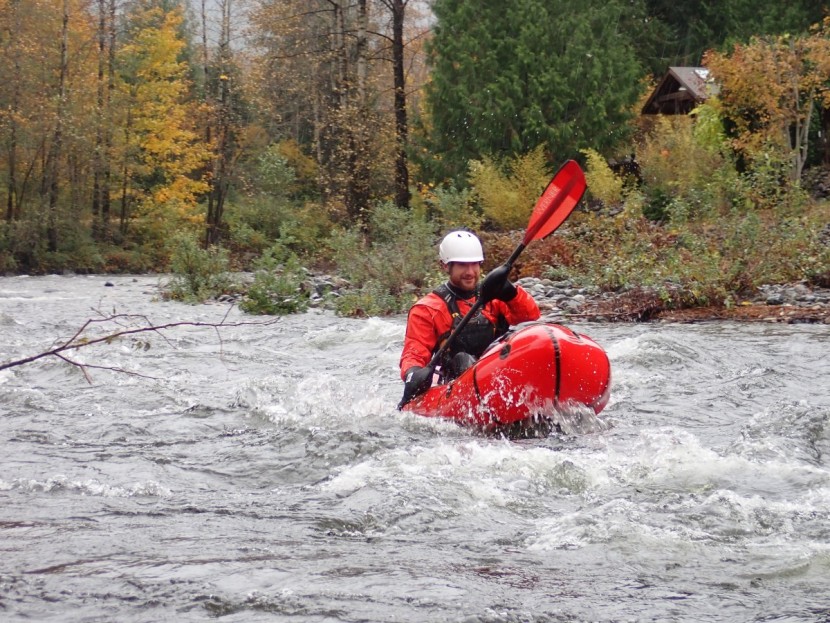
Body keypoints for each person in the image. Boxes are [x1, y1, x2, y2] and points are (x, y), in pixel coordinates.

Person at [399, 230, 540, 404]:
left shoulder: (493, 297)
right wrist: (413, 372)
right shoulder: (428, 309)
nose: (470, 272)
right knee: (463, 360)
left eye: (475, 264)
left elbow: (530, 316)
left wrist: (511, 293)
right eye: (462, 265)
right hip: (458, 383)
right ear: (445, 266)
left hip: (500, 373)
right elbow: (414, 352)